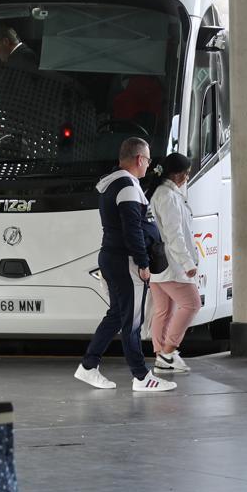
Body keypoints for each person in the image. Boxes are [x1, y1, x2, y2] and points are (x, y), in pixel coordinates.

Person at [76, 137, 177, 393]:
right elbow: (132, 229)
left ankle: (88, 367)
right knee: (132, 320)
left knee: (117, 315)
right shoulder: (128, 187)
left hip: (112, 256)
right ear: (139, 159)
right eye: (148, 160)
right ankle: (142, 376)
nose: (149, 166)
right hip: (125, 260)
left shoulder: (113, 183)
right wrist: (143, 262)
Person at [147, 152, 198, 374]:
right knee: (191, 304)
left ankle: (161, 356)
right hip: (171, 263)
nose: (187, 177)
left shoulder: (161, 193)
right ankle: (168, 352)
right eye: (186, 174)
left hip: (158, 263)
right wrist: (187, 262)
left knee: (163, 310)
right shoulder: (167, 196)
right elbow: (174, 234)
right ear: (177, 174)